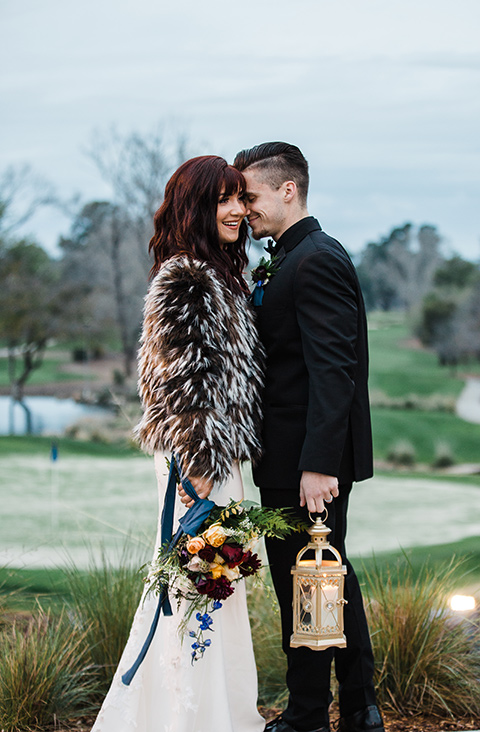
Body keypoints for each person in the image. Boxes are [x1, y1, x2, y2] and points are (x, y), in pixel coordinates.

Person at [90, 155, 266, 732]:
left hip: (221, 459)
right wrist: (199, 477)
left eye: (241, 197)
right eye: (226, 200)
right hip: (198, 463)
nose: (240, 210)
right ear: (197, 207)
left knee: (214, 591)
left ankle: (217, 712)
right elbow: (186, 382)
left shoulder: (221, 275)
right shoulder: (186, 279)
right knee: (195, 589)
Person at [233, 142, 384, 732]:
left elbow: (333, 369)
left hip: (307, 461)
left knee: (305, 581)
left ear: (286, 190)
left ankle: (306, 716)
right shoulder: (286, 256)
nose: (244, 208)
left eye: (250, 195)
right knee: (327, 577)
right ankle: (359, 704)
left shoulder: (315, 259)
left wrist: (319, 464)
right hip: (292, 456)